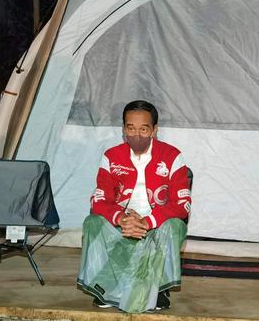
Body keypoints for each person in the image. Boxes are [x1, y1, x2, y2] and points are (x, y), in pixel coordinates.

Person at [77, 100, 192, 313]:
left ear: (154, 130)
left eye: (143, 129)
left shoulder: (172, 156)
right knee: (92, 221)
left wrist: (146, 222)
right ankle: (105, 287)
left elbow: (182, 205)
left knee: (175, 225)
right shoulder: (111, 156)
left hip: (156, 224)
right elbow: (99, 199)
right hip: (124, 221)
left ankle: (159, 289)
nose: (136, 134)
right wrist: (121, 219)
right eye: (130, 128)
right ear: (123, 129)